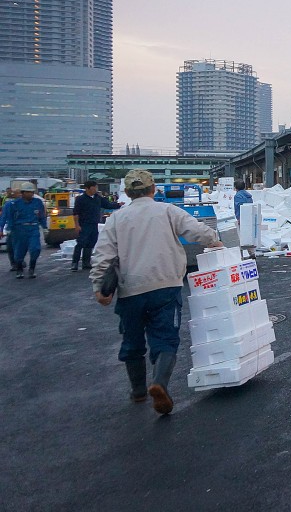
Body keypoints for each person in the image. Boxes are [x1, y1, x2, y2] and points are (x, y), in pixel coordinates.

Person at [90, 169, 223, 415]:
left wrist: (99, 287)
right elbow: (196, 230)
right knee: (165, 338)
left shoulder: (117, 219)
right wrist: (214, 241)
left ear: (128, 193)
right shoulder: (167, 211)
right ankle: (159, 383)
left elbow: (102, 255)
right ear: (153, 190)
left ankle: (138, 391)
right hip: (166, 287)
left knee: (132, 341)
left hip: (130, 290)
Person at [71, 180, 121, 272]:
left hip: (94, 224)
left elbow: (107, 205)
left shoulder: (97, 198)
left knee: (91, 243)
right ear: (87, 188)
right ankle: (75, 263)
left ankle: (86, 262)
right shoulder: (80, 199)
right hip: (84, 224)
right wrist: (77, 225)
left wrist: (118, 205)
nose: (96, 189)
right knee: (81, 243)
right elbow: (76, 213)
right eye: (94, 187)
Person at [0, 183, 47, 278]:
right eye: (28, 192)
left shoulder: (37, 202)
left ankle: (32, 268)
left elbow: (41, 216)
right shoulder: (13, 204)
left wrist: (44, 227)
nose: (30, 194)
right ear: (23, 193)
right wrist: (5, 229)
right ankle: (19, 269)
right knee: (18, 252)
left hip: (33, 229)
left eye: (32, 192)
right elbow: (7, 217)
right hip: (19, 230)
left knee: (35, 249)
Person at [1, 187, 19, 272]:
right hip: (12, 228)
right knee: (11, 247)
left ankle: (19, 261)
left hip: (21, 229)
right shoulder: (8, 204)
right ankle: (14, 263)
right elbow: (4, 217)